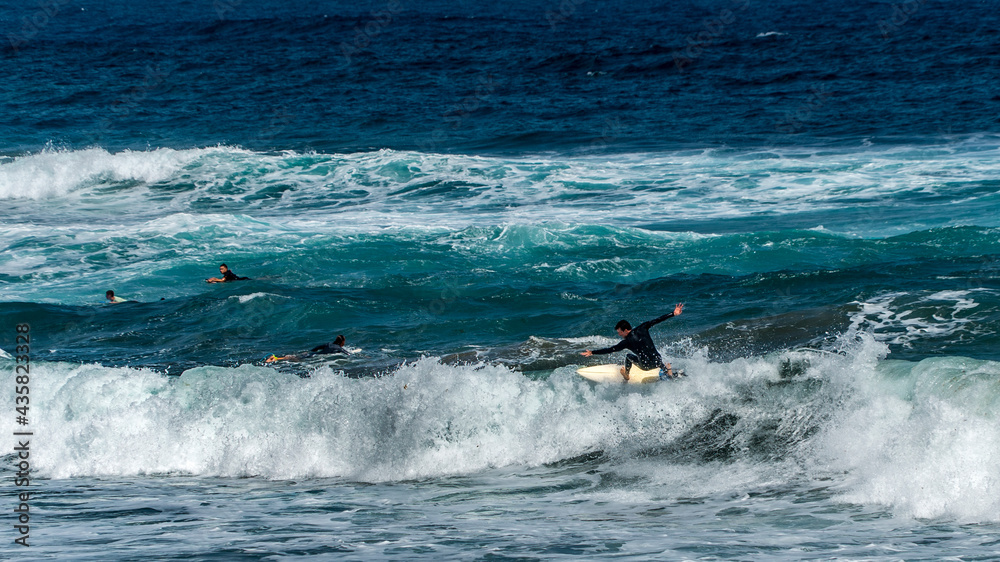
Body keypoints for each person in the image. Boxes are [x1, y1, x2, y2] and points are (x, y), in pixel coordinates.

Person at [581, 303, 684, 381]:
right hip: (658, 361)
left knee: (628, 356)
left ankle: (626, 375)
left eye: (620, 332)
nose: (619, 335)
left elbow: (610, 350)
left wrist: (592, 352)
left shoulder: (626, 342)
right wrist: (673, 313)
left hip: (646, 366)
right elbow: (657, 320)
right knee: (654, 355)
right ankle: (667, 371)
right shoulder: (643, 327)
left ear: (626, 330)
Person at [266, 335, 348, 363]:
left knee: (294, 357)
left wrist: (311, 352)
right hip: (313, 357)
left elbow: (316, 348)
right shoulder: (338, 348)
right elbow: (346, 353)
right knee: (296, 359)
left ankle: (276, 358)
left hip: (311, 354)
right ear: (342, 342)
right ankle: (274, 358)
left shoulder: (329, 344)